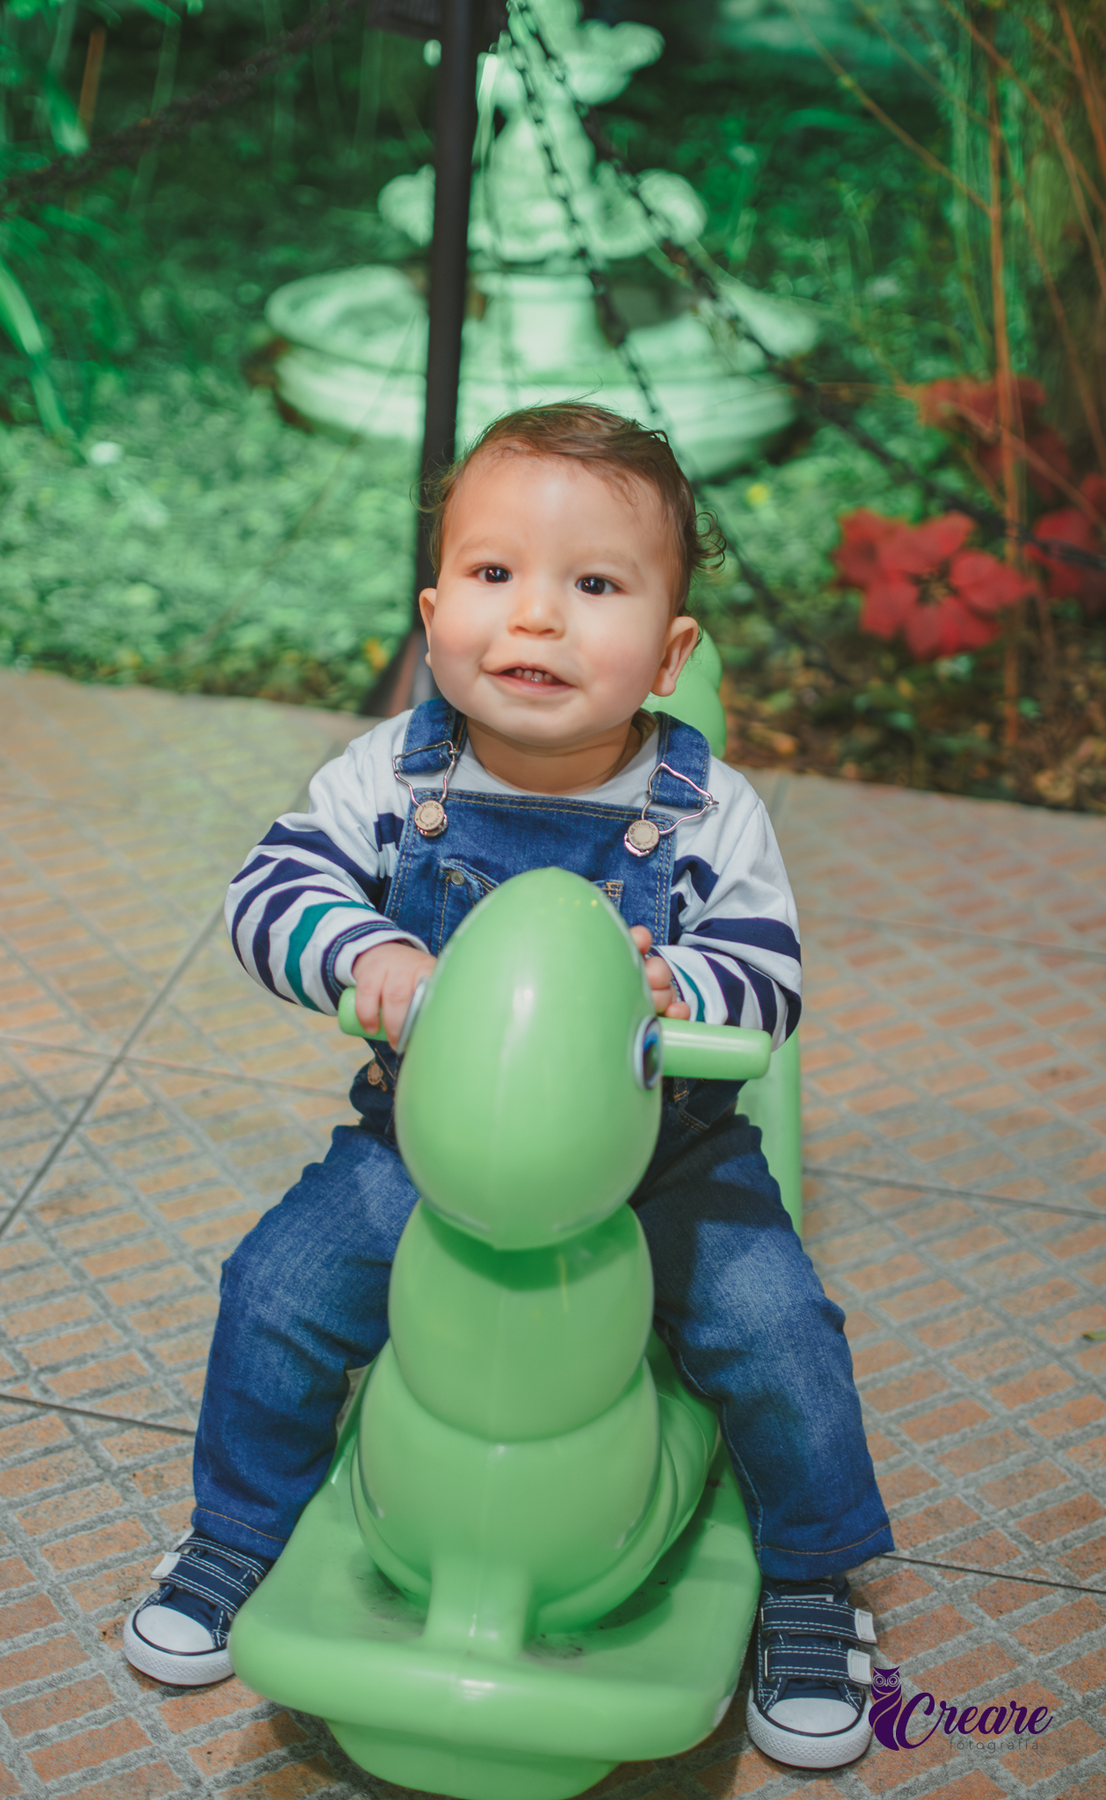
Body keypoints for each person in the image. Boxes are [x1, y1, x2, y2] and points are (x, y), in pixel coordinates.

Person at [123, 403, 892, 1770]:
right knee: (281, 1285)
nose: (534, 622)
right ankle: (234, 1532)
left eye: (592, 587)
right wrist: (365, 952)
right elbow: (266, 890)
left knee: (774, 1323)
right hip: (428, 1144)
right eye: (493, 578)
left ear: (668, 650)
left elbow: (768, 978)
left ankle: (814, 1585)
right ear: (432, 615)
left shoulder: (707, 811)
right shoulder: (395, 775)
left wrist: (679, 995)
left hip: (660, 1154)